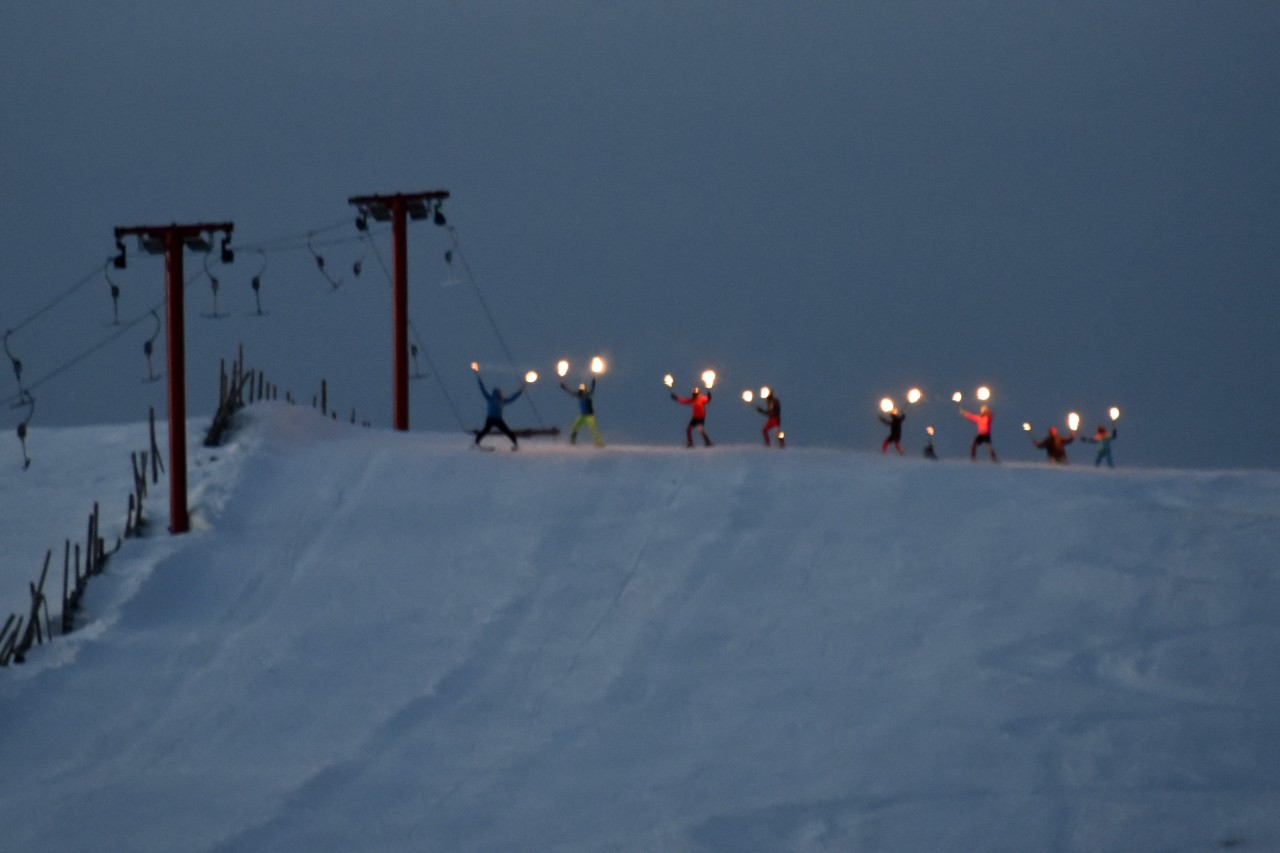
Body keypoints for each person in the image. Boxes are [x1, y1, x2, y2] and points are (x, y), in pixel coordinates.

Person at [474, 372, 525, 450]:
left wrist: (519, 392)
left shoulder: (498, 400)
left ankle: (476, 443)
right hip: (494, 419)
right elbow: (512, 398)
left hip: (494, 419)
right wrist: (519, 392)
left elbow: (483, 390)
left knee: (487, 431)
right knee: (505, 431)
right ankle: (515, 444)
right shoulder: (495, 399)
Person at [561, 378, 603, 447]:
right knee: (575, 427)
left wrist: (593, 384)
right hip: (582, 415)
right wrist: (564, 388)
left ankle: (599, 442)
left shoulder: (588, 395)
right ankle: (572, 441)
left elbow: (592, 391)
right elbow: (571, 392)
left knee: (593, 428)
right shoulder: (579, 395)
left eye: (582, 389)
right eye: (580, 388)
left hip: (589, 415)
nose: (581, 390)